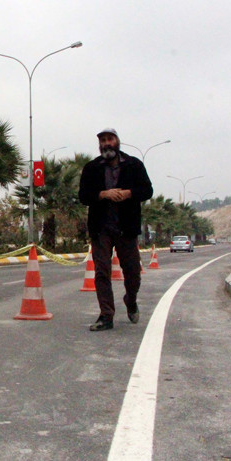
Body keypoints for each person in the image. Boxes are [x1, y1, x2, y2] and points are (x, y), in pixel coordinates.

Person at [79, 128, 153, 331]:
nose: (106, 143)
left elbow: (147, 190)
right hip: (101, 228)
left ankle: (131, 300)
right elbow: (83, 196)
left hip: (126, 228)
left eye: (109, 139)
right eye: (103, 140)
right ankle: (106, 315)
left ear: (117, 141)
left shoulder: (134, 165)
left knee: (133, 273)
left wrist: (129, 193)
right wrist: (103, 194)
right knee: (102, 273)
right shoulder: (92, 168)